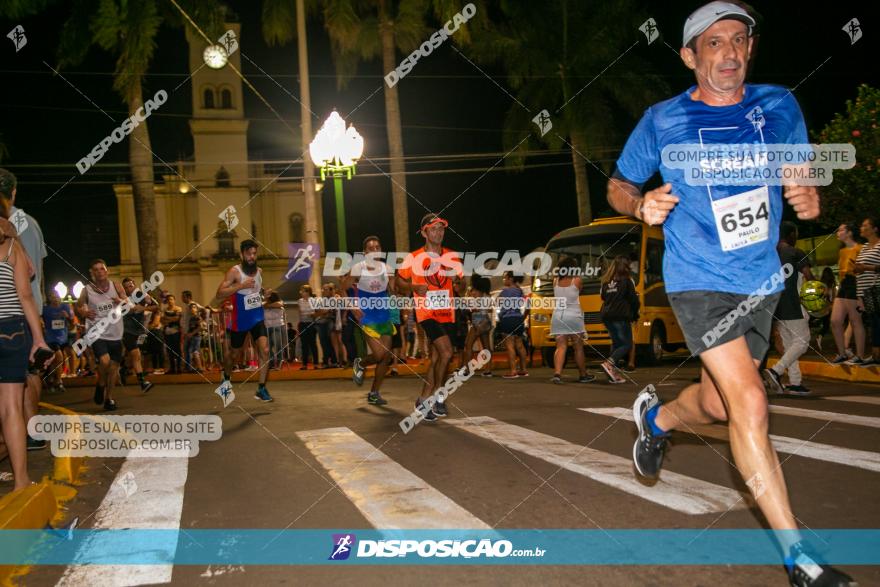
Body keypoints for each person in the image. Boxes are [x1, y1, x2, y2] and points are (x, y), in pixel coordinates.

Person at [606, 3, 854, 585]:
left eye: (739, 41)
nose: (730, 53)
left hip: (759, 279)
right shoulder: (662, 120)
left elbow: (798, 171)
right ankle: (801, 560)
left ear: (750, 49)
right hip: (697, 280)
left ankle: (658, 419)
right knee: (750, 404)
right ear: (691, 57)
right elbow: (619, 184)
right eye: (714, 44)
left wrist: (809, 194)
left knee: (719, 405)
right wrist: (640, 205)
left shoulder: (779, 104)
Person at [0, 200, 50, 488]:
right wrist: (39, 339)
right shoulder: (10, 246)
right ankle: (21, 481)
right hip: (10, 331)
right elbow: (26, 293)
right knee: (11, 409)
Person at [396, 214, 466, 421]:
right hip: (426, 312)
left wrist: (457, 282)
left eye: (441, 229)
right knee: (446, 353)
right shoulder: (414, 257)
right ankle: (439, 398)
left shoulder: (452, 256)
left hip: (447, 311)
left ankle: (423, 400)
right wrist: (413, 287)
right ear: (424, 232)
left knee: (437, 358)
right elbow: (397, 284)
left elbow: (462, 285)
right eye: (433, 229)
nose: (439, 232)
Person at [215, 240, 273, 402]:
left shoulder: (259, 271)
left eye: (254, 254)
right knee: (234, 355)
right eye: (248, 254)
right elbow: (219, 293)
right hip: (240, 319)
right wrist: (240, 286)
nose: (251, 257)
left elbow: (255, 292)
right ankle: (226, 377)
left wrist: (264, 294)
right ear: (242, 254)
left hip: (257, 317)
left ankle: (261, 388)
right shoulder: (235, 272)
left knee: (265, 350)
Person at [763, 222, 814, 395]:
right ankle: (776, 370)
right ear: (791, 234)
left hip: (776, 306)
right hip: (794, 303)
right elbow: (809, 277)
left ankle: (795, 383)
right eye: (796, 233)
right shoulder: (795, 252)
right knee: (802, 342)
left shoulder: (770, 255)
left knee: (790, 344)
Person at [345, 235, 396, 405]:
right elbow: (342, 288)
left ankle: (374, 393)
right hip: (367, 314)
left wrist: (398, 304)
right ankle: (360, 363)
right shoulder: (358, 268)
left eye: (377, 247)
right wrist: (353, 307)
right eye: (371, 248)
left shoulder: (387, 267)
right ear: (365, 252)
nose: (375, 250)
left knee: (386, 357)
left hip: (384, 314)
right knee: (379, 354)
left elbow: (392, 290)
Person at [76, 259, 126, 411]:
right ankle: (101, 384)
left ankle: (108, 398)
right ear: (92, 273)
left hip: (116, 333)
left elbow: (128, 303)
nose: (99, 272)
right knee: (104, 362)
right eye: (96, 270)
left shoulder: (116, 286)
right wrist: (84, 312)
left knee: (113, 369)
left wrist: (121, 301)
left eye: (102, 269)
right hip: (96, 332)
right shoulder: (86, 290)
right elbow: (78, 306)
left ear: (107, 271)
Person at [549, 257, 594, 384]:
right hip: (574, 316)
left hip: (558, 316)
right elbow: (580, 291)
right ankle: (583, 374)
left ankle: (557, 374)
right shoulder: (577, 280)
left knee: (561, 346)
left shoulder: (555, 281)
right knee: (578, 347)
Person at [599, 255, 639, 384]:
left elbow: (603, 297)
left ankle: (612, 373)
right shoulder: (627, 280)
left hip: (606, 316)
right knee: (626, 344)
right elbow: (633, 299)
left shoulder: (606, 281)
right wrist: (634, 314)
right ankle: (609, 363)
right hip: (621, 315)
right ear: (625, 266)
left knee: (616, 344)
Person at [829, 223, 864, 363]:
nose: (838, 232)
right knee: (835, 321)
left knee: (856, 321)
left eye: (841, 230)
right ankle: (842, 353)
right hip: (844, 285)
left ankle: (860, 356)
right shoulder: (842, 251)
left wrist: (861, 295)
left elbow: (862, 272)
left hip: (854, 284)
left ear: (849, 233)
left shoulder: (860, 249)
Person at [120, 277, 157, 392]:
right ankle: (142, 382)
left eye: (130, 286)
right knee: (136, 354)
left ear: (134, 286)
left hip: (140, 331)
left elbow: (156, 306)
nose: (128, 289)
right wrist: (132, 308)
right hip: (127, 330)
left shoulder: (142, 295)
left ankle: (123, 368)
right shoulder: (123, 298)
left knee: (134, 355)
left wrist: (143, 307)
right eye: (125, 287)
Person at [853, 216, 880, 366]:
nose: (861, 228)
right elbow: (860, 269)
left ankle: (876, 354)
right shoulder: (863, 247)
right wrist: (857, 269)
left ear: (874, 229)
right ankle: (876, 355)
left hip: (877, 288)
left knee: (878, 321)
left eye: (864, 226)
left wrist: (865, 268)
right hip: (866, 291)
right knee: (874, 322)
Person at [496, 271, 530, 378]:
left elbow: (497, 302)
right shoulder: (520, 291)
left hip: (507, 319)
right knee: (519, 345)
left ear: (510, 279)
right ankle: (524, 369)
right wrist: (523, 317)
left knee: (510, 345)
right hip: (518, 318)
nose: (504, 280)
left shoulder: (505, 292)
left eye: (505, 278)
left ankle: (513, 371)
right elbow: (528, 305)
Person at [42, 291, 72, 394]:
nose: (55, 299)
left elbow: (72, 321)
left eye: (56, 297)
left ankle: (49, 378)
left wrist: (67, 316)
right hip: (51, 338)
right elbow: (40, 319)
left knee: (55, 360)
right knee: (59, 357)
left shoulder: (65, 307)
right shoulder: (45, 309)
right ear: (49, 299)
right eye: (52, 297)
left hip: (63, 337)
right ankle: (58, 381)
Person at [464, 275, 494, 377]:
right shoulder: (487, 295)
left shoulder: (477, 293)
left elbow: (474, 308)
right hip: (486, 320)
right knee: (486, 346)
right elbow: (489, 309)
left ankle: (467, 369)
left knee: (468, 345)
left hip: (478, 320)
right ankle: (488, 369)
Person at [314, 284, 338, 368]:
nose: (324, 290)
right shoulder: (319, 300)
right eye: (323, 289)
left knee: (329, 341)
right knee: (323, 343)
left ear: (330, 290)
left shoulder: (334, 299)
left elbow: (330, 311)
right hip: (320, 323)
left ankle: (333, 361)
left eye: (326, 289)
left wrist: (324, 312)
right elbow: (317, 312)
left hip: (329, 322)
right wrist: (323, 312)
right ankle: (326, 362)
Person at [297, 285, 318, 370]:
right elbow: (300, 313)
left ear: (308, 292)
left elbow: (315, 313)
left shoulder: (313, 300)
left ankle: (316, 363)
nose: (301, 293)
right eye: (301, 291)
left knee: (313, 344)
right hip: (302, 323)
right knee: (304, 344)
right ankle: (304, 364)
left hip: (311, 323)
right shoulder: (299, 301)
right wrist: (309, 313)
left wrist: (310, 314)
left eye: (303, 291)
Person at [161, 294, 183, 375]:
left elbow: (177, 318)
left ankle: (179, 367)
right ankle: (172, 368)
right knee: (169, 350)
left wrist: (167, 319)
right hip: (167, 332)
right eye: (168, 299)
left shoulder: (178, 308)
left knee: (177, 350)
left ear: (174, 300)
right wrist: (170, 319)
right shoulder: (165, 309)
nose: (170, 301)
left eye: (171, 299)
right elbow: (162, 320)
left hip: (176, 332)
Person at [263, 292, 285, 369]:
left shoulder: (279, 303)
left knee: (278, 344)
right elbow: (261, 305)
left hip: (277, 326)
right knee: (267, 347)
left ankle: (279, 362)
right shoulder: (264, 304)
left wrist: (268, 305)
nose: (265, 298)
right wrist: (266, 305)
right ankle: (271, 363)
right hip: (267, 327)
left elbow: (279, 304)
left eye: (267, 296)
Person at [183, 302, 204, 373]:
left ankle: (200, 368)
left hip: (196, 337)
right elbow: (191, 328)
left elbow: (200, 327)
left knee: (195, 352)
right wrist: (188, 334)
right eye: (191, 308)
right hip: (192, 337)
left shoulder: (197, 317)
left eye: (194, 307)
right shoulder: (191, 318)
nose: (192, 309)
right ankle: (196, 367)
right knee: (192, 352)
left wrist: (191, 334)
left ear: (197, 309)